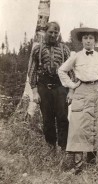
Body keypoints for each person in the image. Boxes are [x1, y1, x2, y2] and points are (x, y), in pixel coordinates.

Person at [58, 27, 98, 174]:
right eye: (85, 38)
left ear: (95, 41)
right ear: (81, 41)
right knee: (79, 128)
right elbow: (61, 70)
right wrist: (71, 84)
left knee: (97, 126)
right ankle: (78, 167)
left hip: (97, 91)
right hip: (81, 91)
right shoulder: (76, 56)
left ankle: (92, 164)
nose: (88, 41)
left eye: (91, 38)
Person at [28, 21, 72, 152]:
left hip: (60, 87)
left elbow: (72, 72)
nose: (53, 35)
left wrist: (71, 92)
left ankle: (64, 148)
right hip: (43, 88)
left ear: (58, 34)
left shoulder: (65, 49)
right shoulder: (37, 49)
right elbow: (32, 71)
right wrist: (35, 92)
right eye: (50, 32)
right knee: (47, 119)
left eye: (56, 32)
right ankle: (51, 149)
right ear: (45, 32)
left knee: (63, 118)